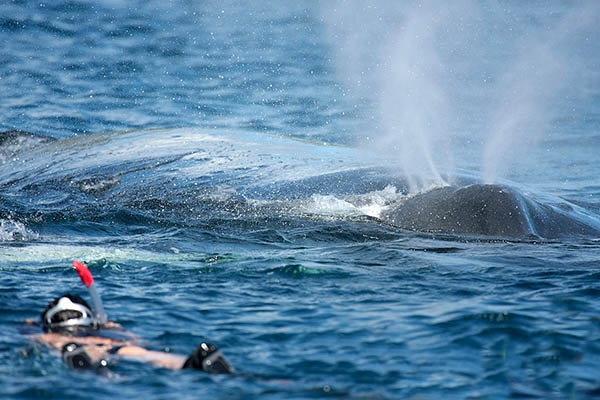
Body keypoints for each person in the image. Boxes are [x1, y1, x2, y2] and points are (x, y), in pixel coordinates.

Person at [27, 293, 234, 374]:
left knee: (84, 352)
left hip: (74, 348)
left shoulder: (46, 333)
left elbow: (29, 336)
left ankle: (87, 367)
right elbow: (137, 339)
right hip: (116, 345)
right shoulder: (108, 328)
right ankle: (191, 362)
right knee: (140, 353)